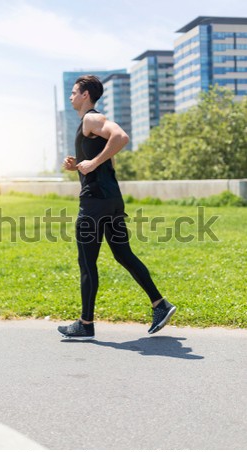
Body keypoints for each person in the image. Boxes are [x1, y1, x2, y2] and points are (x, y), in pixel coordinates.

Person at [58, 75, 176, 340]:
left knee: (87, 262)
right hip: (111, 199)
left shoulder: (91, 118)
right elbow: (101, 156)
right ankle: (161, 305)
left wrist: (94, 162)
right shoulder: (89, 124)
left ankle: (85, 324)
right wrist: (79, 162)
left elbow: (121, 137)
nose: (71, 96)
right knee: (123, 254)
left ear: (86, 95)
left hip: (95, 201)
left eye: (74, 92)